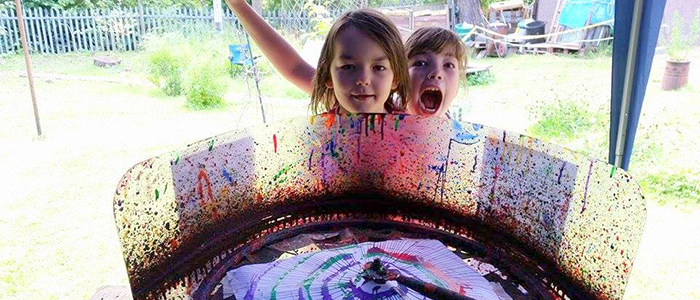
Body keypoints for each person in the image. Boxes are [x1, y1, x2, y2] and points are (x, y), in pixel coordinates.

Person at [225, 0, 467, 117]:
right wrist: (237, 5)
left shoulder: (409, 123)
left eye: (379, 67)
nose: (363, 78)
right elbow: (293, 67)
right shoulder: (336, 103)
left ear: (396, 78)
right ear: (327, 76)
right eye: (349, 66)